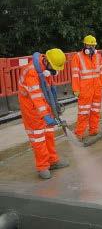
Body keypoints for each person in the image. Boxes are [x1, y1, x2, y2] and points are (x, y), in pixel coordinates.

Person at [18, 48, 69, 179]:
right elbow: (35, 97)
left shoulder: (45, 70)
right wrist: (45, 115)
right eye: (53, 67)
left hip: (45, 104)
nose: (54, 70)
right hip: (31, 108)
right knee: (39, 138)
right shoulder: (32, 72)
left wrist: (54, 107)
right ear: (47, 61)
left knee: (49, 134)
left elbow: (50, 90)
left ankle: (53, 161)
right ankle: (42, 166)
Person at [71, 35, 102, 140]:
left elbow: (101, 72)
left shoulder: (98, 56)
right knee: (83, 112)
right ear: (85, 45)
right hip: (85, 89)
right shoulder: (77, 57)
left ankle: (93, 129)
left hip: (97, 88)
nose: (91, 48)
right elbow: (75, 75)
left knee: (95, 110)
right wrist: (76, 89)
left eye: (93, 45)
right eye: (89, 45)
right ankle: (79, 133)